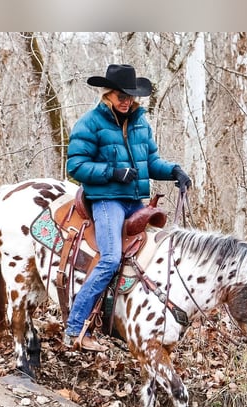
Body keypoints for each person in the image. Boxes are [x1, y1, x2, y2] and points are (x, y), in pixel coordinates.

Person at [64, 63, 192, 351]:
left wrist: (174, 171)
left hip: (135, 200)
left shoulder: (139, 123)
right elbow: (75, 166)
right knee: (110, 259)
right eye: (121, 96)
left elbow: (152, 163)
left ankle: (132, 319)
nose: (127, 102)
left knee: (158, 254)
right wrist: (112, 172)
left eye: (131, 97)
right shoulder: (90, 123)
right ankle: (75, 326)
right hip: (107, 200)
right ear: (107, 94)